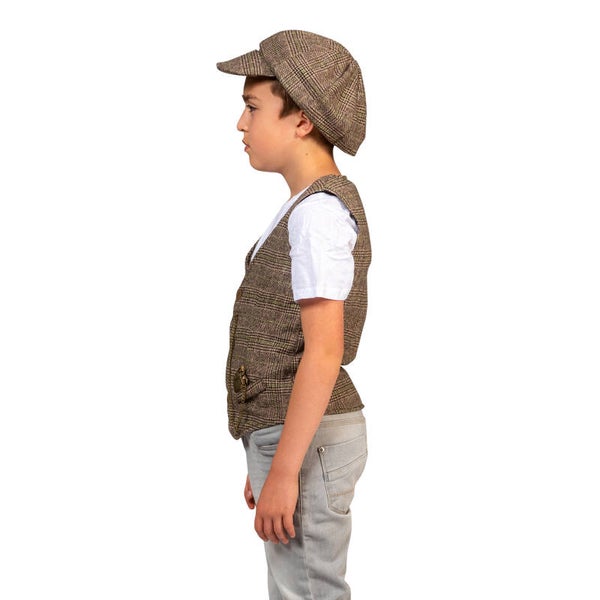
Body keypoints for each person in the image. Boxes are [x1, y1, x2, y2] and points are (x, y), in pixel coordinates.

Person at [217, 30, 372, 599]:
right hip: (296, 436)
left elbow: (324, 351)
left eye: (253, 106)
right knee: (299, 585)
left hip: (308, 439)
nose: (241, 123)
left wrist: (285, 470)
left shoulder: (318, 216)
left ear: (302, 119)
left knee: (308, 590)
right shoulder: (304, 209)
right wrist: (270, 455)